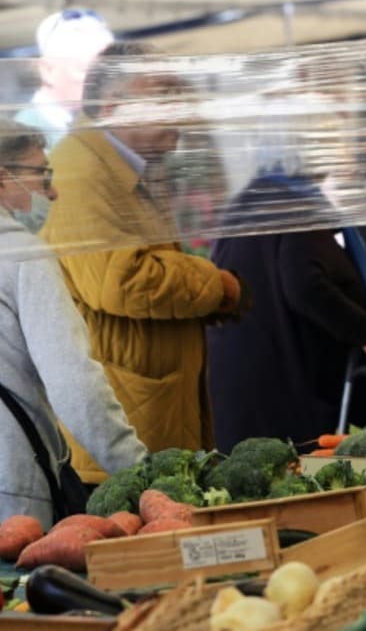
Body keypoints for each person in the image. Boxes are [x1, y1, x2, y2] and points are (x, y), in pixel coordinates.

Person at [0, 115, 146, 550]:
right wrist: (140, 470)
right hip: (4, 498)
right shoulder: (23, 256)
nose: (51, 192)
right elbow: (75, 384)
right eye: (42, 175)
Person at [40, 41, 242, 485]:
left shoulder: (125, 167)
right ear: (115, 105)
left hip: (150, 405)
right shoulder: (81, 171)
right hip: (120, 428)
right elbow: (124, 281)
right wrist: (214, 284)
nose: (182, 107)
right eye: (165, 93)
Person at [206, 139, 366, 452]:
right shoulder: (296, 206)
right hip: (286, 397)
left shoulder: (253, 199)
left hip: (249, 390)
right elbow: (304, 285)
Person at [15, 9, 114, 150]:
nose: (101, 81)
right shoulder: (26, 134)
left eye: (108, 71)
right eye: (86, 70)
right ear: (47, 70)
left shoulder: (91, 124)